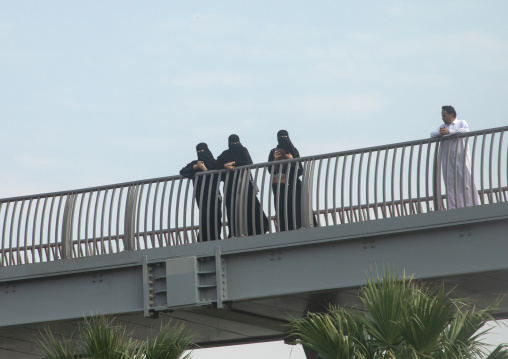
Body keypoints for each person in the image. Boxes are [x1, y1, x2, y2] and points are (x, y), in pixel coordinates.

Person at [217, 134, 269, 237]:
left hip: (243, 184)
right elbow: (216, 165)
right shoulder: (226, 154)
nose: (235, 145)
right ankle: (235, 232)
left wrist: (234, 163)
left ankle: (256, 229)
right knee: (234, 209)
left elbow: (248, 162)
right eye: (233, 143)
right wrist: (225, 166)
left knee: (250, 206)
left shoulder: (243, 150)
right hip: (232, 186)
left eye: (236, 143)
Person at [430, 106, 480, 209]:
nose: (442, 118)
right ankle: (454, 207)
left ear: (451, 115)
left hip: (460, 157)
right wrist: (440, 133)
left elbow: (465, 130)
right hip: (447, 159)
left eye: (444, 116)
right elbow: (432, 134)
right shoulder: (443, 127)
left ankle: (472, 204)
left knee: (465, 181)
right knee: (450, 183)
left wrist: (450, 133)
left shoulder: (461, 123)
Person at [180, 143, 222, 241]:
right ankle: (203, 239)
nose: (200, 153)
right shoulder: (195, 163)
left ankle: (215, 237)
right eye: (198, 151)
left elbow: (218, 177)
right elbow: (183, 172)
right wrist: (195, 167)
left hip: (213, 193)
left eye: (202, 151)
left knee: (215, 215)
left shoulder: (214, 163)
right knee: (204, 216)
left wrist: (205, 169)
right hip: (201, 195)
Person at [268, 130, 304, 231]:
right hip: (279, 184)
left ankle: (297, 226)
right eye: (281, 137)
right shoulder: (273, 151)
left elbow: (300, 170)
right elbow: (270, 170)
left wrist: (291, 160)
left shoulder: (294, 151)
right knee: (281, 207)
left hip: (293, 184)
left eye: (284, 137)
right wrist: (276, 162)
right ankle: (283, 228)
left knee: (295, 206)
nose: (283, 139)